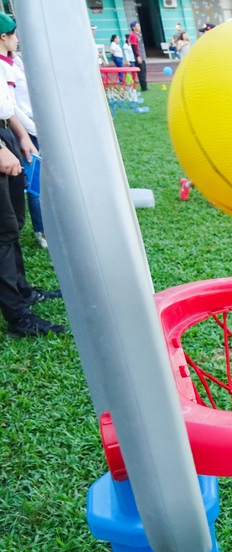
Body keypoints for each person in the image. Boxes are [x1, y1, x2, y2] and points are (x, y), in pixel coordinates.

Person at [0, 14, 64, 338]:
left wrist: (20, 135)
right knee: (1, 233)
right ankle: (17, 317)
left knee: (12, 227)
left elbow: (5, 106)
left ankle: (22, 292)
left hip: (7, 134)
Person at [2, 30, 44, 248]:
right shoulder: (3, 66)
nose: (18, 39)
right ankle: (42, 231)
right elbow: (11, 108)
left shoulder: (14, 62)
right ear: (3, 37)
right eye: (14, 34)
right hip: (23, 132)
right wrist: (30, 132)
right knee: (35, 181)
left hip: (28, 130)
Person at [129, 21, 147, 92]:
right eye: (138, 26)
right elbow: (134, 47)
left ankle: (145, 86)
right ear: (133, 27)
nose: (139, 27)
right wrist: (138, 56)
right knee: (141, 72)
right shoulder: (133, 35)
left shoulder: (138, 34)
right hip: (139, 56)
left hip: (142, 55)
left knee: (144, 71)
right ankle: (143, 87)